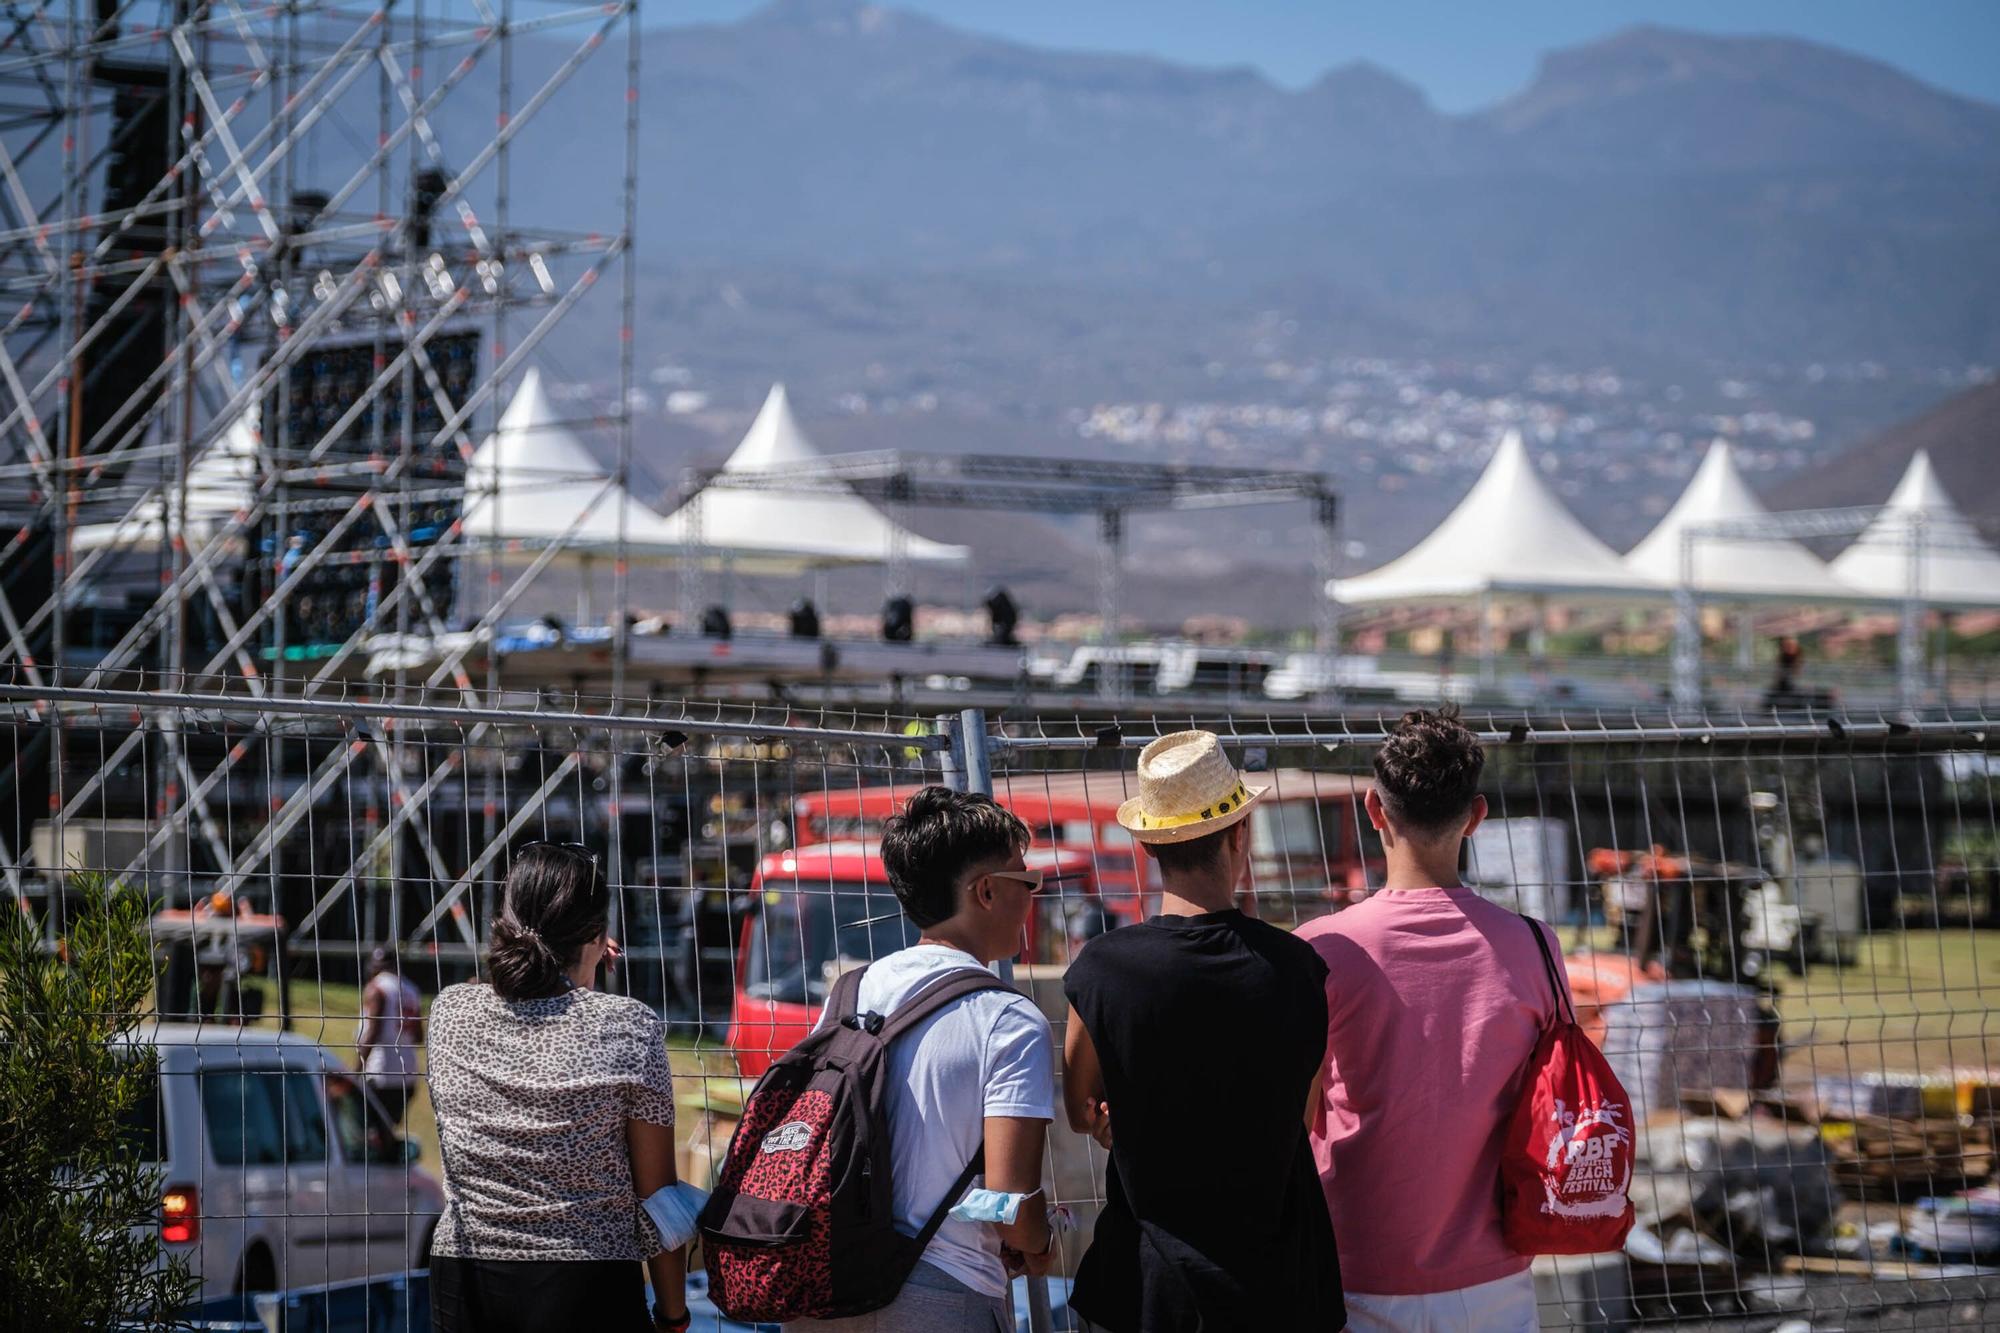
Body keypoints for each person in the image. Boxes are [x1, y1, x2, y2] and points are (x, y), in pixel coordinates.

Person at [1297, 706, 1569, 1332]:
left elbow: (1294, 1111)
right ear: (1476, 816)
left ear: (1374, 810)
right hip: (1495, 1267)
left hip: (1354, 1264)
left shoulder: (1318, 949)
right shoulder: (1535, 946)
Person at [1062, 730, 1344, 1332]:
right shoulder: (1299, 971)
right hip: (1278, 1291)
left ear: (1147, 846)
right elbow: (1305, 1115)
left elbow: (1082, 1110)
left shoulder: (1102, 970)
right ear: (1240, 835)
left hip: (1144, 1290)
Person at [791, 786, 1056, 1333]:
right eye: (1026, 881)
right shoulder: (1008, 1020)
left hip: (824, 1286)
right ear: (986, 891)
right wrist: (1038, 1239)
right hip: (940, 1296)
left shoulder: (851, 992)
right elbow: (1007, 1203)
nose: (1032, 896)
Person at [426, 843, 692, 1333]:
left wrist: (570, 971)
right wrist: (673, 1314)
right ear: (597, 934)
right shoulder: (629, 1027)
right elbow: (657, 1197)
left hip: (465, 1278)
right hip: (588, 1283)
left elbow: (512, 1008)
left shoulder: (448, 1013)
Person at [356, 946, 424, 1128]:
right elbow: (418, 1036)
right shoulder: (412, 989)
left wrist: (355, 1071)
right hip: (407, 1073)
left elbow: (372, 1033)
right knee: (389, 1129)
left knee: (368, 1129)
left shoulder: (377, 989)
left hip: (380, 1072)